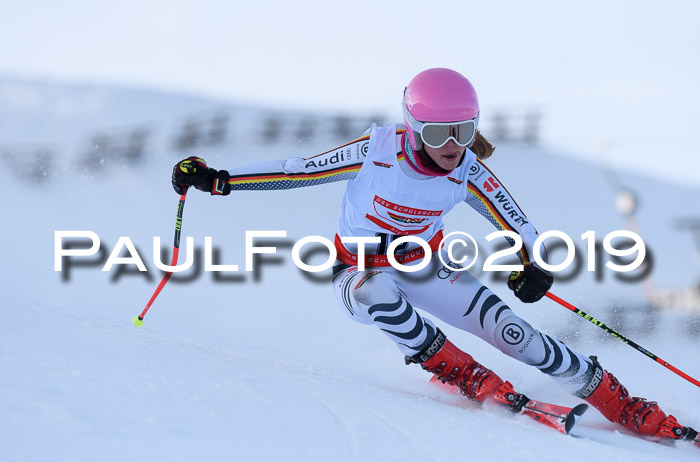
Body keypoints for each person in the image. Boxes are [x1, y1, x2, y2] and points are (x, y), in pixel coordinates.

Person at [171, 68, 690, 440]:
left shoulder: (467, 171)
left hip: (426, 267)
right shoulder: (376, 150)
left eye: (463, 132)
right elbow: (298, 170)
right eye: (439, 132)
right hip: (357, 270)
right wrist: (220, 181)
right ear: (414, 128)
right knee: (378, 292)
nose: (452, 144)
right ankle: (461, 372)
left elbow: (517, 221)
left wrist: (533, 265)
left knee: (516, 335)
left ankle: (621, 403)